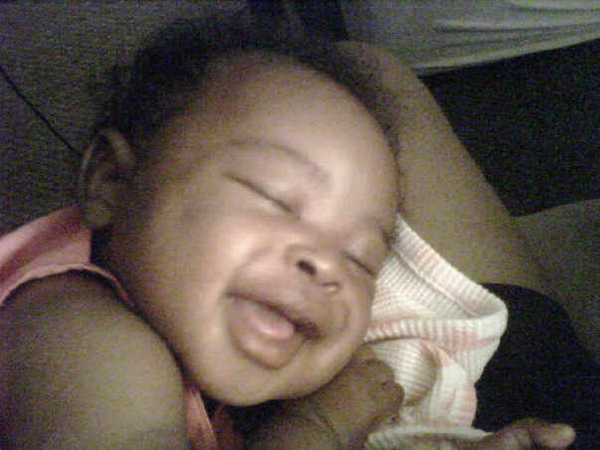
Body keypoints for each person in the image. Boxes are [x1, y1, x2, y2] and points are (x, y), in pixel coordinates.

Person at [0, 19, 578, 449]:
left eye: (362, 259)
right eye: (274, 198)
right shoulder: (79, 337)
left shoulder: (168, 312)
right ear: (112, 182)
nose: (326, 265)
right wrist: (318, 427)